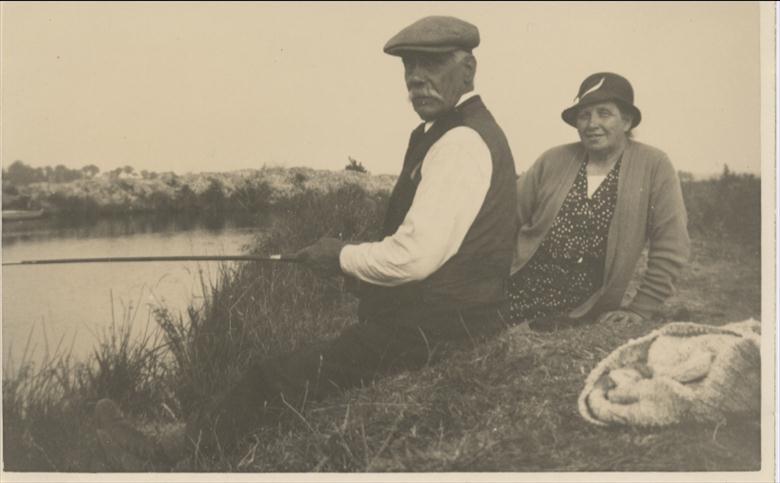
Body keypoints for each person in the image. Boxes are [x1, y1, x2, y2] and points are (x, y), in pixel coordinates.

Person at [96, 15, 517, 466]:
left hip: (439, 332)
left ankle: (162, 454)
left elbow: (414, 258)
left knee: (269, 377)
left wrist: (340, 257)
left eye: (431, 64)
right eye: (409, 67)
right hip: (445, 320)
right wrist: (348, 267)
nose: (416, 78)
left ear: (468, 69)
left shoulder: (461, 142)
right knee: (309, 365)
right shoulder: (453, 132)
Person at [507, 72, 690, 330]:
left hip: (585, 306)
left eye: (604, 113)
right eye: (584, 115)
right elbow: (507, 218)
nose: (592, 123)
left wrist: (641, 309)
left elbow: (672, 243)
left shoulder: (654, 165)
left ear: (626, 122)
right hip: (518, 284)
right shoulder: (553, 159)